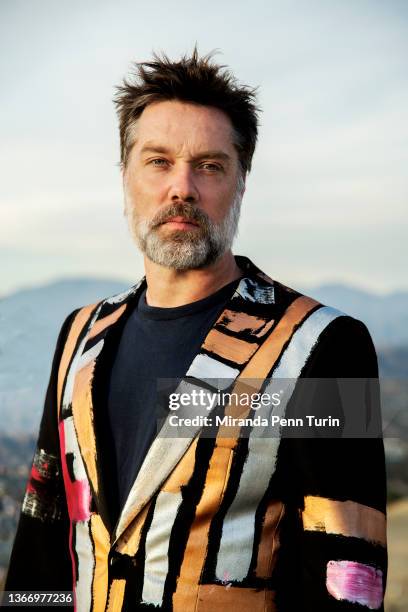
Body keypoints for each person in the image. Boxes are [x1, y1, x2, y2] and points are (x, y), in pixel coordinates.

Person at [5, 49, 387, 611]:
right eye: (157, 161)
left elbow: (348, 575)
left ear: (240, 183)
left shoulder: (325, 346)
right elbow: (44, 534)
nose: (181, 187)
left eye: (209, 165)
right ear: (127, 176)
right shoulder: (79, 336)